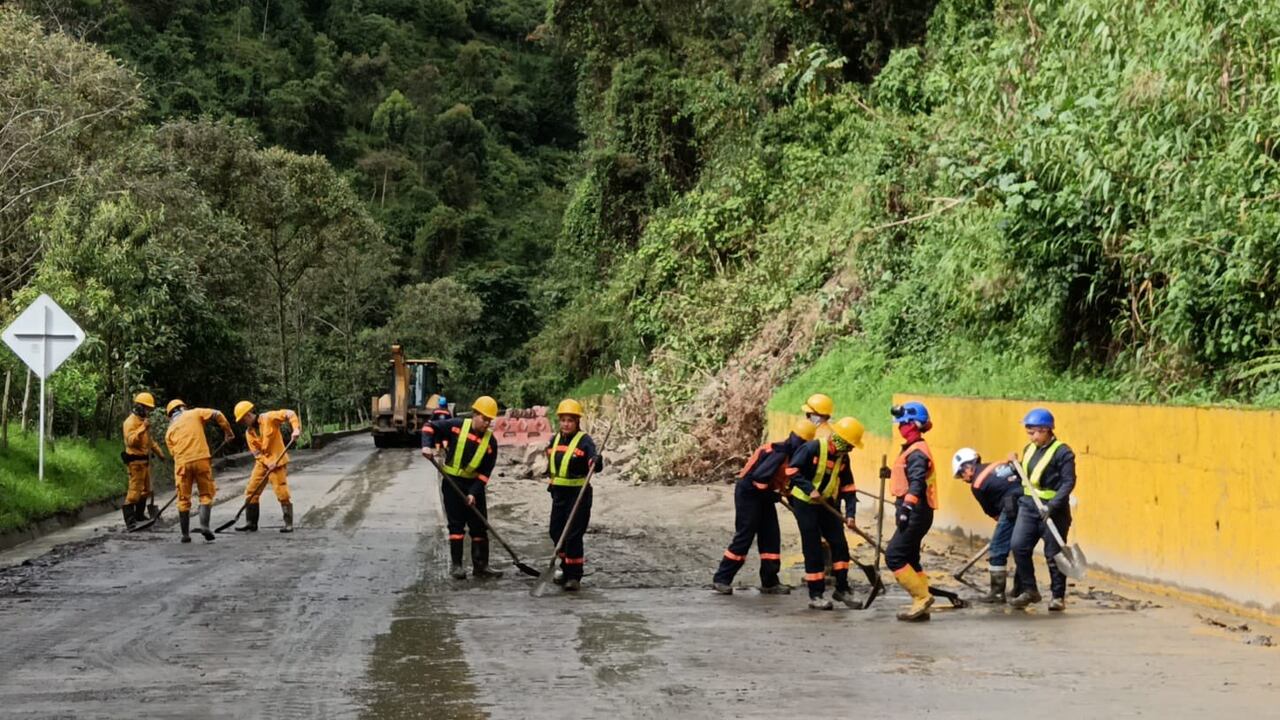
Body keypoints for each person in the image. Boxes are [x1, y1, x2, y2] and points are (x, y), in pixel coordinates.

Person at [712, 418, 817, 596]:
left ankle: (770, 582)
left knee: (771, 536)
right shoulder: (778, 452)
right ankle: (721, 579)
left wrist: (795, 505)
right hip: (749, 493)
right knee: (745, 535)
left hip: (765, 495)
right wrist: (775, 496)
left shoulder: (792, 454)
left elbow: (785, 483)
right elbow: (759, 481)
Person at [784, 416, 864, 610]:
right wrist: (808, 488)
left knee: (840, 545)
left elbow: (848, 487)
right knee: (813, 547)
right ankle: (816, 594)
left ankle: (842, 588)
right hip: (804, 503)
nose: (851, 449)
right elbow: (792, 471)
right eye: (849, 445)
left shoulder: (843, 458)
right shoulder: (811, 448)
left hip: (827, 504)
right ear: (839, 440)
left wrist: (851, 515)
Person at [422, 396, 500, 579]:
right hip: (452, 484)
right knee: (456, 526)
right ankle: (457, 566)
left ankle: (481, 566)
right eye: (484, 419)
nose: (486, 424)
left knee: (479, 527)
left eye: (490, 420)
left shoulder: (491, 443)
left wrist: (474, 492)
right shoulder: (456, 426)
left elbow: (485, 473)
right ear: (475, 415)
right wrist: (426, 446)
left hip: (474, 486)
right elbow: (429, 427)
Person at [1008, 408, 1077, 612]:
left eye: (1034, 433)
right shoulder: (1030, 449)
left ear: (1046, 430)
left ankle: (1057, 596)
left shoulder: (1063, 452)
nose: (1031, 437)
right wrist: (1015, 465)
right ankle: (1030, 590)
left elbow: (1068, 482)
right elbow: (1027, 475)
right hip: (1029, 507)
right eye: (1029, 433)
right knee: (1019, 546)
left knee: (1053, 554)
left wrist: (1053, 505)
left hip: (1053, 510)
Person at [885, 401, 938, 622]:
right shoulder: (912, 448)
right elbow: (908, 477)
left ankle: (922, 597)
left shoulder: (917, 452)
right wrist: (890, 473)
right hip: (916, 510)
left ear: (913, 425)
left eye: (903, 423)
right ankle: (922, 604)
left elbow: (917, 483)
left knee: (894, 556)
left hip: (916, 511)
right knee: (911, 558)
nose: (900, 428)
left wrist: (906, 507)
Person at [544, 399, 604, 592]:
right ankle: (565, 567)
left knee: (573, 535)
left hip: (578, 495)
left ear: (577, 421)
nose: (566, 424)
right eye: (563, 420)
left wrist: (596, 461)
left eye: (570, 420)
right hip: (559, 495)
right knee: (556, 532)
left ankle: (574, 576)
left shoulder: (584, 441)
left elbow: (595, 464)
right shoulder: (555, 440)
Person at [951, 447, 1022, 603]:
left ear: (969, 466)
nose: (963, 479)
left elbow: (992, 512)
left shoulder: (977, 485)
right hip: (1029, 502)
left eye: (962, 473)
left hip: (1010, 507)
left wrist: (1003, 530)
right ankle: (1020, 589)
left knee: (997, 549)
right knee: (1022, 548)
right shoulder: (1001, 464)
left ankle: (997, 593)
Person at [163, 399, 234, 543]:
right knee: (206, 494)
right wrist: (228, 432)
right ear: (183, 408)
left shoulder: (169, 431)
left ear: (170, 416)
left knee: (183, 498)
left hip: (182, 464)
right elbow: (217, 414)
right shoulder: (195, 413)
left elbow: (173, 453)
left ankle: (185, 535)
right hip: (201, 460)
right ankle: (204, 526)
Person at [233, 401, 303, 533]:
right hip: (262, 463)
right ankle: (251, 523)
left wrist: (296, 428)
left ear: (248, 415)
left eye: (243, 420)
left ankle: (288, 524)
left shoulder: (269, 418)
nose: (243, 423)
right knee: (251, 491)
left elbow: (290, 413)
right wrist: (267, 462)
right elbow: (257, 454)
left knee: (282, 492)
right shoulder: (249, 433)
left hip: (278, 461)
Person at [120, 392, 166, 529]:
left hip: (145, 462)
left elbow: (149, 441)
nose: (148, 412)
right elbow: (131, 441)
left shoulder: (143, 422)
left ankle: (139, 515)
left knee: (145, 490)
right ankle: (130, 521)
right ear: (139, 407)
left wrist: (160, 453)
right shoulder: (130, 422)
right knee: (134, 491)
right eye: (147, 408)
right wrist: (142, 428)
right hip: (135, 464)